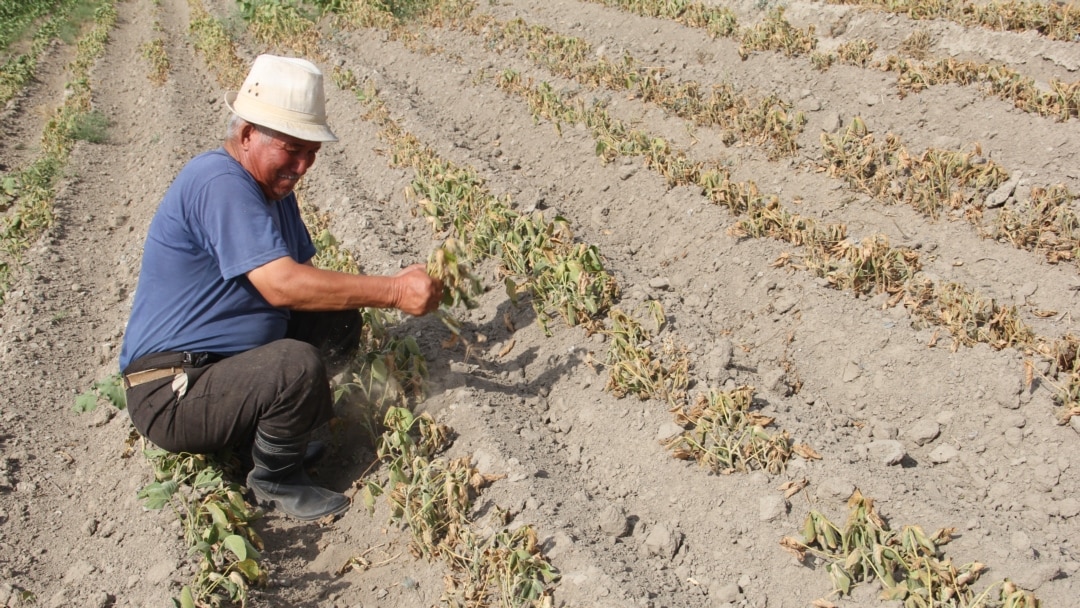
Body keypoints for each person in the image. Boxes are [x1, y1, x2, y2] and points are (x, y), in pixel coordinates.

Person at [119, 54, 443, 521]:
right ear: (246, 133)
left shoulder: (272, 193)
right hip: (172, 394)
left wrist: (390, 285)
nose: (303, 165)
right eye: (292, 148)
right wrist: (393, 291)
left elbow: (310, 286)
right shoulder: (218, 180)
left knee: (336, 318)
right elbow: (282, 285)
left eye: (311, 152)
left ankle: (275, 433)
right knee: (294, 365)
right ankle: (273, 479)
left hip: (216, 372)